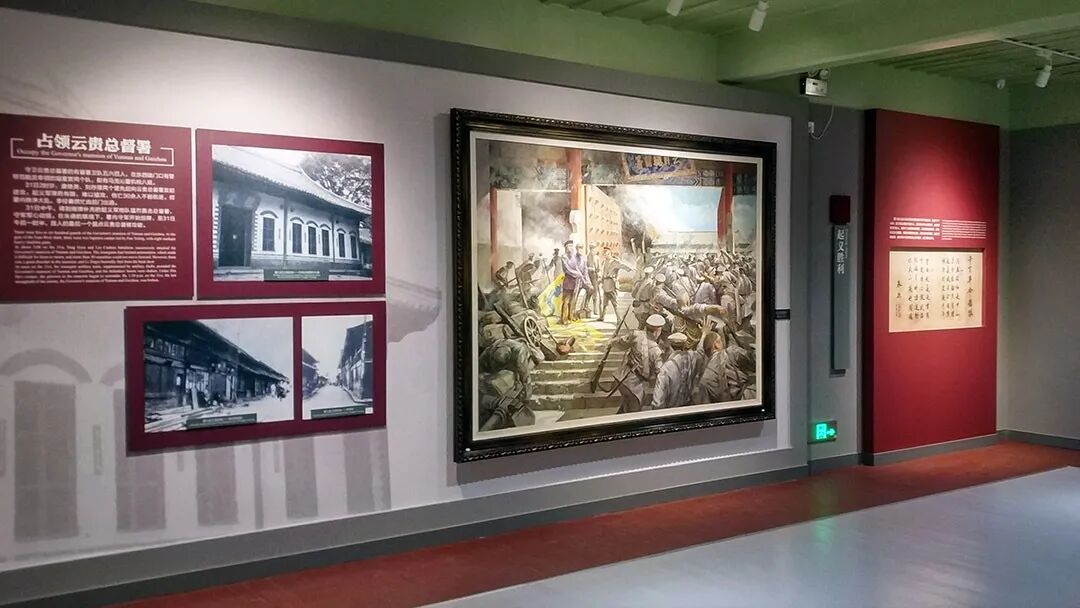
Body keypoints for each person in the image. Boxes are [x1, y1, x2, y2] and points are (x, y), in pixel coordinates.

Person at [607, 314, 665, 414]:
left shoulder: (637, 335)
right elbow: (660, 372)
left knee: (625, 409)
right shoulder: (657, 351)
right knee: (633, 413)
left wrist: (611, 342)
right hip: (633, 385)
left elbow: (621, 342)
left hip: (622, 378)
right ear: (657, 331)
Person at [651, 332, 699, 410]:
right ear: (684, 345)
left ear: (670, 346)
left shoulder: (666, 368)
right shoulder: (691, 357)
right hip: (688, 408)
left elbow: (658, 401)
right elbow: (700, 352)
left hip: (672, 410)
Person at [559, 240, 580, 324]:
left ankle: (570, 316)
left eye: (571, 246)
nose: (571, 248)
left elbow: (577, 267)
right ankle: (564, 319)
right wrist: (576, 273)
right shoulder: (564, 257)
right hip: (568, 280)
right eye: (569, 246)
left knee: (572, 300)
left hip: (575, 281)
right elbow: (567, 269)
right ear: (566, 248)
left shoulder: (574, 257)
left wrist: (579, 274)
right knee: (566, 300)